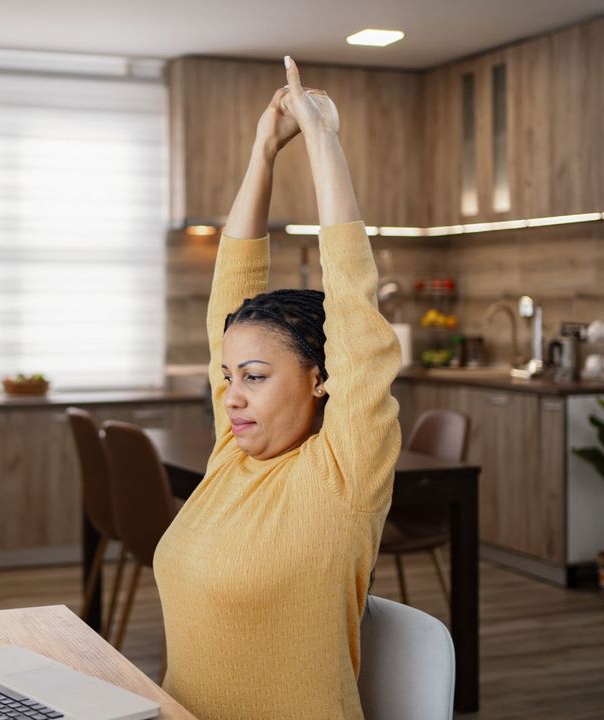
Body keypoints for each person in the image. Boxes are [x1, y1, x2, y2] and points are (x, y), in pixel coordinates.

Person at [152, 57, 403, 719]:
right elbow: (229, 298)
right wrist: (263, 151)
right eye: (229, 377)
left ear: (321, 381)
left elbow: (353, 305)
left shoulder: (343, 478)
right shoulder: (231, 457)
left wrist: (322, 139)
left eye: (255, 379)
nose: (231, 395)